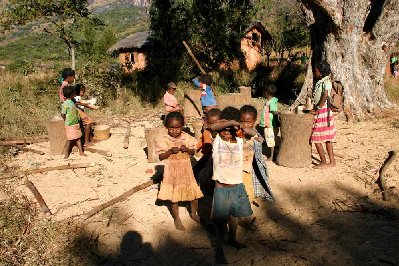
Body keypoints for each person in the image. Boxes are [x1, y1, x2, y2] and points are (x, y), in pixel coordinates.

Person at [208, 107, 253, 264]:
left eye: (229, 129)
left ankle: (232, 239)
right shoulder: (217, 139)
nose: (225, 131)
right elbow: (212, 127)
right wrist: (229, 123)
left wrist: (236, 126)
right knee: (220, 223)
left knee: (234, 217)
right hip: (221, 189)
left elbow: (253, 133)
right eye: (223, 128)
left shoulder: (240, 139)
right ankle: (219, 249)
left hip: (237, 187)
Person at [156, 112, 203, 231]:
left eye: (177, 127)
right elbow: (161, 157)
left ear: (182, 126)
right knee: (173, 196)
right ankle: (177, 218)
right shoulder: (164, 140)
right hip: (172, 171)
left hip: (186, 170)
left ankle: (193, 213)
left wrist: (187, 149)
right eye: (171, 128)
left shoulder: (186, 137)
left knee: (193, 195)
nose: (174, 130)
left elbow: (194, 151)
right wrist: (170, 151)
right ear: (166, 127)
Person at [240, 105, 274, 202]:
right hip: (240, 165)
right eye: (242, 122)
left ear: (254, 122)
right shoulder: (238, 133)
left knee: (252, 184)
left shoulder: (254, 133)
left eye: (248, 122)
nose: (245, 125)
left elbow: (259, 140)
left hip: (251, 166)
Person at [311, 61, 336, 169]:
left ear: (321, 72)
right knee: (327, 138)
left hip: (323, 112)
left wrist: (318, 108)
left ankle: (323, 162)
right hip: (323, 111)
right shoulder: (321, 81)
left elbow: (325, 95)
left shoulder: (326, 82)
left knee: (315, 137)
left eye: (316, 71)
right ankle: (332, 161)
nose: (314, 72)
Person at [194, 108, 221, 195]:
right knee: (196, 171)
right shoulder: (206, 132)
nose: (212, 126)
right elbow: (200, 143)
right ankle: (200, 191)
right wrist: (193, 150)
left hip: (218, 159)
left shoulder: (223, 134)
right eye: (209, 123)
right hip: (207, 157)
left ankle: (209, 192)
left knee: (210, 175)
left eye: (215, 123)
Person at [61, 85, 86, 159]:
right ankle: (66, 155)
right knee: (69, 140)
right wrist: (66, 120)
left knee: (78, 138)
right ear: (71, 94)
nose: (75, 95)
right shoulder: (65, 104)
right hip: (69, 124)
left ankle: (81, 152)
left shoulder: (72, 101)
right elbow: (63, 114)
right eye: (74, 93)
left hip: (75, 123)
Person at [260, 84, 279, 160]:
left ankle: (271, 156)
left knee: (271, 140)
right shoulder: (270, 101)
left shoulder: (271, 102)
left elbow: (275, 111)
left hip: (270, 125)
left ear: (265, 93)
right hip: (270, 124)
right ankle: (272, 154)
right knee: (271, 139)